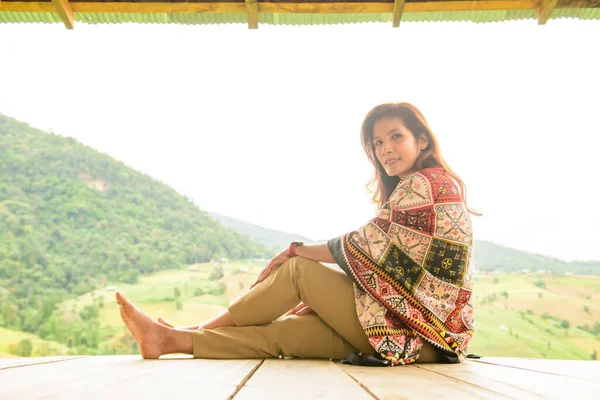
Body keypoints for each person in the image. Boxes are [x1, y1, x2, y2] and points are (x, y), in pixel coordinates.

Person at [116, 102, 478, 366]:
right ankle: (168, 340)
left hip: (417, 334)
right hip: (417, 342)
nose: (385, 149)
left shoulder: (427, 185)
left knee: (297, 270)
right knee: (286, 333)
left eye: (395, 137)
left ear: (423, 142)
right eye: (378, 143)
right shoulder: (428, 187)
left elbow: (366, 242)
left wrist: (295, 251)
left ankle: (195, 327)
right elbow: (393, 263)